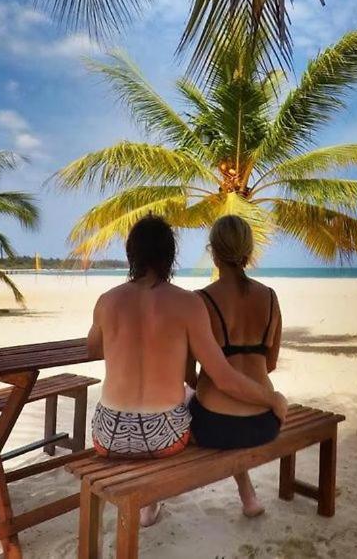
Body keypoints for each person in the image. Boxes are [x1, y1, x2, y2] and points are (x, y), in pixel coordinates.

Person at [87, 215, 287, 527]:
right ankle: (245, 493)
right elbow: (230, 375)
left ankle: (151, 506)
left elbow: (94, 349)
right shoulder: (188, 303)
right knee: (193, 398)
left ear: (131, 254)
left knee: (198, 397)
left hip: (108, 436)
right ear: (170, 256)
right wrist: (273, 399)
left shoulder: (106, 301)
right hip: (167, 437)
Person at [186, 215, 282, 517]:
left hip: (214, 427)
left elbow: (188, 376)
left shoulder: (200, 301)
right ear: (248, 252)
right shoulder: (269, 297)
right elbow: (270, 363)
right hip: (266, 422)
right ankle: (247, 494)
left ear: (213, 252)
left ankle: (149, 505)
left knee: (174, 407)